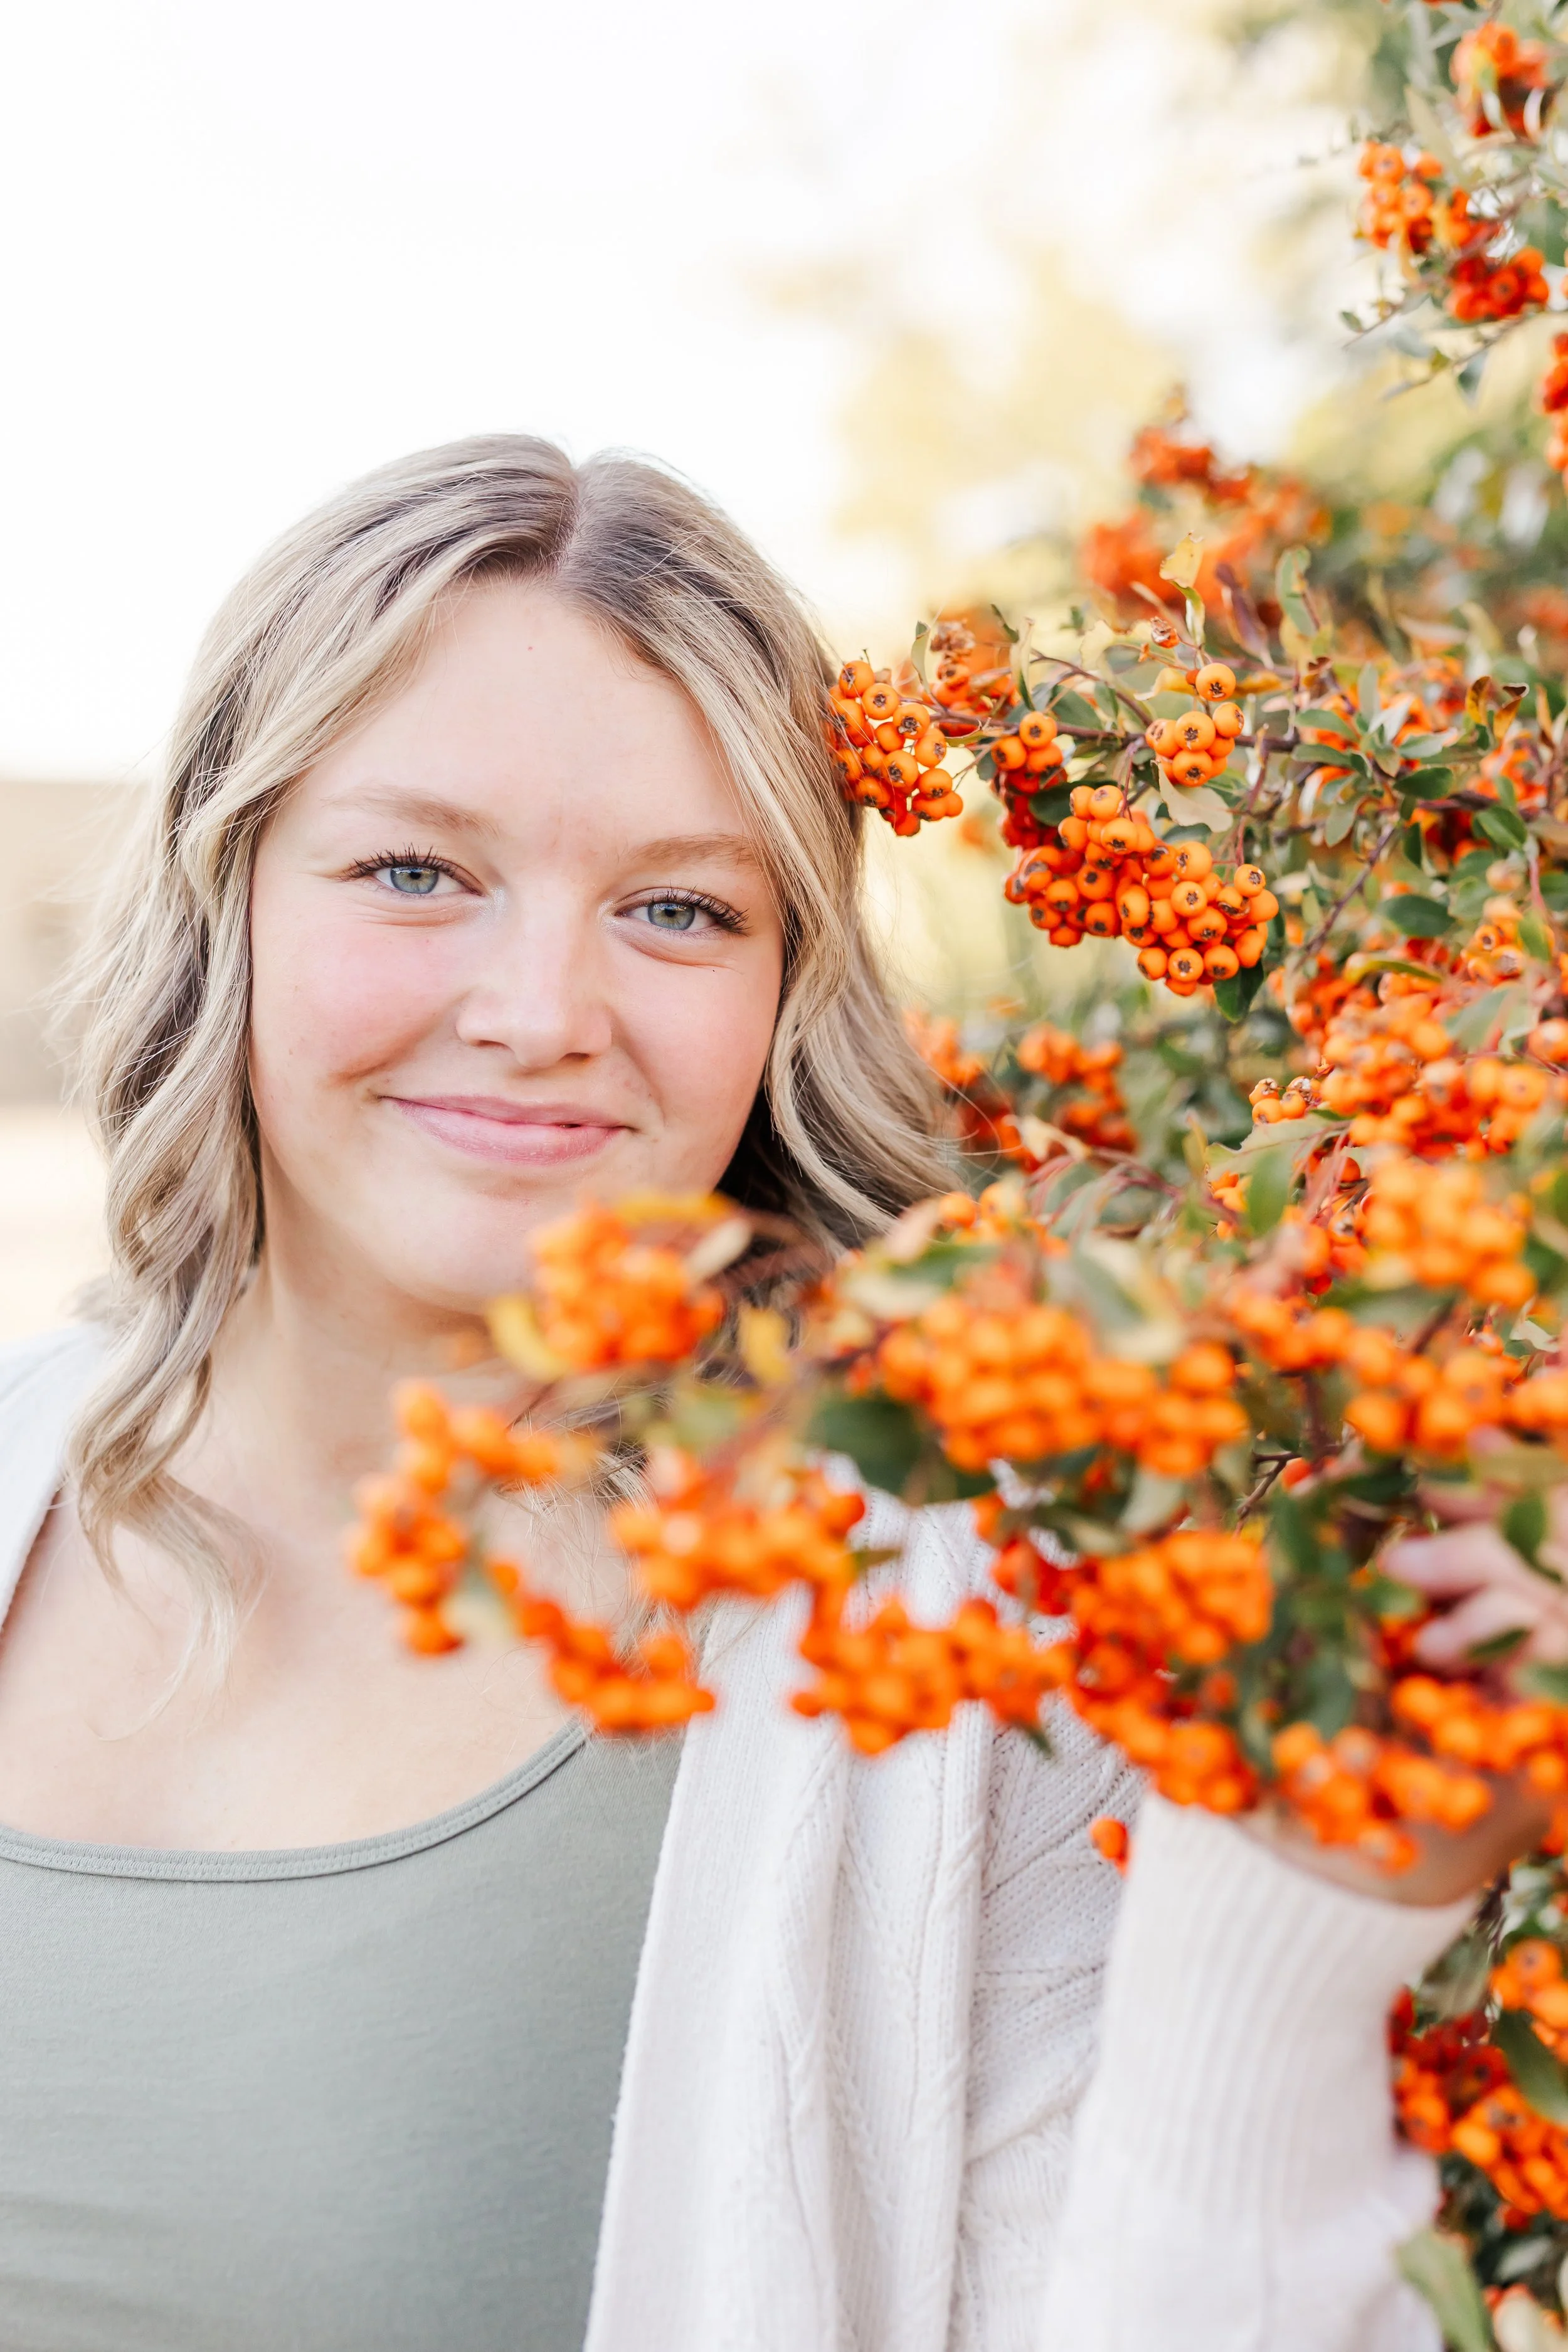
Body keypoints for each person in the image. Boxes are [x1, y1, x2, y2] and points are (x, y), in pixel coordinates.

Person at [0, 435, 1545, 2352]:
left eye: (680, 910)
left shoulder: (951, 1648)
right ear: (224, 894)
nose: (540, 1006)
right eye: (414, 869)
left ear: (786, 989)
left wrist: (1293, 1929)